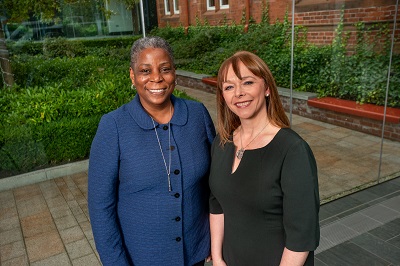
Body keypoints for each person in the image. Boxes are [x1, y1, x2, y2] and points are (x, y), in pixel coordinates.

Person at [88, 36, 215, 266]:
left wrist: (214, 239)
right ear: (132, 75)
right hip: (142, 258)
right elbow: (100, 209)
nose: (156, 78)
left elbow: (214, 184)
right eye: (145, 70)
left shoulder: (197, 115)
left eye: (165, 69)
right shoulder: (113, 126)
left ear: (174, 72)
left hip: (195, 253)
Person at [209, 51, 320, 266]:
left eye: (247, 82)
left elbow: (302, 235)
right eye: (229, 87)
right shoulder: (222, 143)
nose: (238, 93)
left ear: (267, 88)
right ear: (223, 96)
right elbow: (216, 205)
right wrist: (218, 259)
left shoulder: (292, 150)